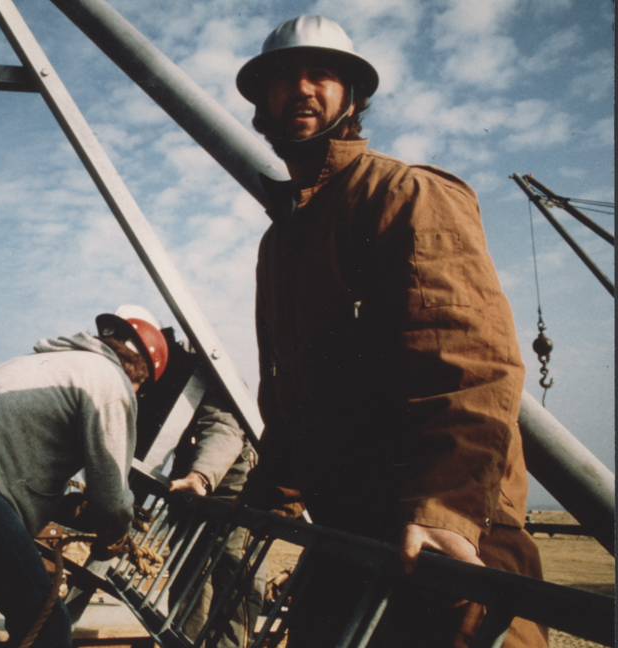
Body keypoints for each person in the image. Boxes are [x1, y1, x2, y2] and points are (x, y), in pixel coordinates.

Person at [234, 15, 547, 647]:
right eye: (284, 77)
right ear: (261, 103)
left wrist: (447, 511)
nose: (302, 88)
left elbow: (471, 363)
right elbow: (293, 393)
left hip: (445, 543)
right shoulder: (283, 241)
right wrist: (262, 495)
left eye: (322, 74)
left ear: (351, 98)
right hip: (349, 541)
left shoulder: (405, 194)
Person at [0, 311, 169, 648]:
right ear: (140, 375)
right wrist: (115, 532)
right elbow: (110, 495)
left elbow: (13, 463)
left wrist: (65, 508)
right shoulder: (112, 382)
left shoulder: (53, 362)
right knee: (46, 624)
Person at [110, 305, 264, 648]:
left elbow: (224, 428)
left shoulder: (202, 367)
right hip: (189, 486)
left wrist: (201, 476)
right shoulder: (150, 378)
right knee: (189, 574)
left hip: (230, 485)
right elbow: (142, 442)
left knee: (232, 576)